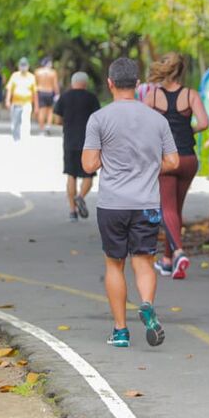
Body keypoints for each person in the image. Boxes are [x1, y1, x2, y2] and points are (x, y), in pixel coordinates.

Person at [82, 57, 179, 348]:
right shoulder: (157, 119)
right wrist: (149, 166)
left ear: (110, 83)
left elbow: (88, 165)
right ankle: (146, 304)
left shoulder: (99, 119)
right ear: (137, 85)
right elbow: (173, 160)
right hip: (146, 202)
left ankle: (121, 331)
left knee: (115, 264)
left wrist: (106, 159)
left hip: (112, 204)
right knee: (144, 261)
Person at [146, 52, 209, 280]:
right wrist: (186, 130)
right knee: (176, 210)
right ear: (182, 71)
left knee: (167, 209)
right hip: (189, 160)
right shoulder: (190, 95)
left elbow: (144, 126)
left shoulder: (153, 97)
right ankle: (167, 261)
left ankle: (180, 253)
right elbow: (204, 123)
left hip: (167, 160)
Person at [54, 72, 101, 222]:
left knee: (71, 175)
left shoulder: (65, 97)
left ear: (73, 82)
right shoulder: (91, 98)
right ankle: (80, 197)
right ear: (86, 83)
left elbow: (57, 119)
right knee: (89, 174)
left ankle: (72, 211)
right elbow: (98, 119)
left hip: (69, 141)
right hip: (88, 142)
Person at [5, 58, 39, 141]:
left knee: (26, 120)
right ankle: (16, 137)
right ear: (19, 66)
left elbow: (35, 92)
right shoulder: (15, 76)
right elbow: (9, 89)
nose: (23, 67)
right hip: (16, 102)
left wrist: (36, 106)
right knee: (15, 121)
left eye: (25, 65)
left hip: (27, 102)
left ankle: (25, 137)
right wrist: (7, 100)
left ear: (28, 66)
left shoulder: (31, 77)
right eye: (21, 65)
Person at [35, 57, 61, 136]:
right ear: (49, 63)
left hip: (40, 92)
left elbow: (35, 84)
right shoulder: (53, 72)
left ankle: (42, 129)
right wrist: (57, 94)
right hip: (49, 92)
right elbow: (55, 84)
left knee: (41, 111)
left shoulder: (38, 72)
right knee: (50, 111)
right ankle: (48, 127)